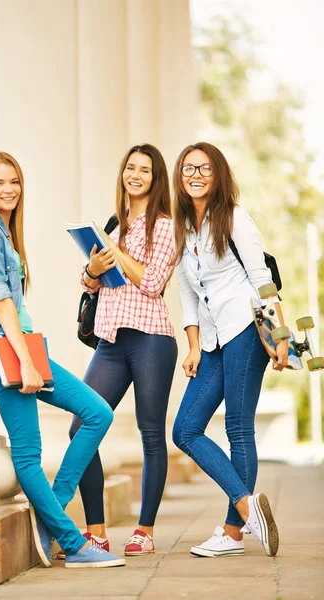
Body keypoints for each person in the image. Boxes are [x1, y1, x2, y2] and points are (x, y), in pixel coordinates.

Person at [0, 151, 126, 569]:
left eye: (13, 181)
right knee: (29, 453)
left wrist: (33, 356)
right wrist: (27, 363)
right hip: (5, 354)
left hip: (26, 348)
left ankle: (52, 516)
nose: (8, 189)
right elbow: (0, 303)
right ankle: (72, 543)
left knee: (97, 413)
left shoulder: (4, 231)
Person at [171, 142, 287, 558]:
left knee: (239, 428)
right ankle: (246, 505)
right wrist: (193, 346)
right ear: (180, 178)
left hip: (244, 327)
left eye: (203, 168)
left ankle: (233, 532)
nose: (195, 175)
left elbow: (260, 276)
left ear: (218, 174)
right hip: (212, 337)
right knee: (184, 429)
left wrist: (279, 336)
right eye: (188, 169)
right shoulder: (182, 226)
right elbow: (185, 290)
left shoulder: (235, 217)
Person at [68, 144, 178, 556]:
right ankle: (95, 531)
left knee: (151, 433)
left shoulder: (165, 225)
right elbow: (91, 284)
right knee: (82, 427)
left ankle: (144, 532)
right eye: (130, 167)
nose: (135, 174)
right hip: (111, 341)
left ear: (155, 178)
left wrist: (120, 255)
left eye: (144, 170)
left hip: (151, 338)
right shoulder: (114, 224)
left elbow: (151, 283)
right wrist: (93, 269)